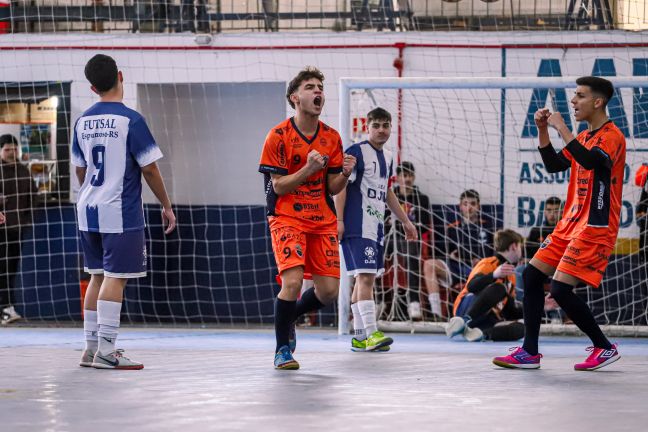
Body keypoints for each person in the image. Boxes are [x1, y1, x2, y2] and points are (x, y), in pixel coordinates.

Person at [494, 76, 625, 371]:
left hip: (595, 226)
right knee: (530, 276)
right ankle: (529, 352)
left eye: (579, 96)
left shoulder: (612, 136)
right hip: (570, 223)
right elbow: (554, 165)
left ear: (597, 102)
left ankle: (604, 347)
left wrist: (562, 127)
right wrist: (543, 131)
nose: (573, 101)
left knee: (561, 290)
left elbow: (591, 162)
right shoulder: (583, 136)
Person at [72, 54, 176, 370]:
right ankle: (107, 350)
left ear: (92, 87)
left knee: (96, 276)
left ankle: (90, 349)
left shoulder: (82, 121)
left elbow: (81, 170)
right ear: (121, 76)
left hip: (87, 207)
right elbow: (150, 169)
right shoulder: (131, 120)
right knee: (115, 278)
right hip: (120, 211)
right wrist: (167, 205)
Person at [258, 66, 356, 370]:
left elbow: (332, 186)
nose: (318, 92)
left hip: (321, 219)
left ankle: (290, 318)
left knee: (328, 292)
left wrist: (345, 175)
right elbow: (278, 186)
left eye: (320, 88)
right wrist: (308, 170)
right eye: (310, 87)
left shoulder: (331, 137)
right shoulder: (278, 136)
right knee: (293, 282)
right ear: (295, 97)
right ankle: (282, 350)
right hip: (287, 217)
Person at [335, 107, 417, 352]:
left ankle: (360, 337)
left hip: (376, 227)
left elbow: (387, 192)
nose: (381, 130)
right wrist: (339, 221)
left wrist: (405, 221)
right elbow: (341, 187)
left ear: (391, 127)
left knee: (363, 278)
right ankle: (371, 333)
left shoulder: (389, 156)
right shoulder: (356, 152)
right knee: (366, 278)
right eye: (376, 125)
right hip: (357, 226)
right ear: (367, 127)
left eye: (386, 125)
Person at [423, 189, 494, 319]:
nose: (469, 208)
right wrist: (451, 255)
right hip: (456, 268)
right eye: (465, 204)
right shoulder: (452, 228)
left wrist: (479, 260)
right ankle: (436, 314)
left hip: (479, 270)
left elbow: (492, 252)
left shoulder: (488, 227)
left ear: (478, 206)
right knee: (429, 264)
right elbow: (442, 252)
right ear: (460, 207)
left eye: (473, 204)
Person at [446, 229, 524, 342]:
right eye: (520, 247)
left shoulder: (511, 276)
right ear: (514, 246)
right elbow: (471, 287)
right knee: (499, 288)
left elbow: (509, 312)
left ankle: (480, 334)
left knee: (522, 329)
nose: (521, 251)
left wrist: (540, 307)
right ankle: (463, 321)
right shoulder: (489, 263)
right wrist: (494, 275)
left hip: (485, 319)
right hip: (466, 308)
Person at [384, 161, 432, 320]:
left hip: (410, 239)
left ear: (414, 176)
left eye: (409, 175)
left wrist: (405, 227)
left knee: (412, 256)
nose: (407, 179)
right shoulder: (390, 195)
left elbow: (424, 224)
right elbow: (384, 222)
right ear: (397, 178)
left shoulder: (422, 199)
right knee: (375, 255)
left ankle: (413, 302)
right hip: (391, 238)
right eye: (403, 175)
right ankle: (377, 301)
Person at [0, 134, 37, 325]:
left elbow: (33, 195)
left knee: (11, 269)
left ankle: (7, 308)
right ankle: (6, 308)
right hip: (2, 227)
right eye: (7, 149)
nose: (11, 152)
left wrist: (27, 220)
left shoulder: (23, 170)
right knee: (3, 269)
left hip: (18, 228)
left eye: (14, 149)